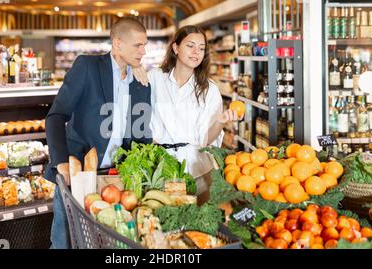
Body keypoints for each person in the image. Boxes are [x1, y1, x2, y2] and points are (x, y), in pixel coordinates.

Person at [45, 18, 152, 249]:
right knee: (64, 242)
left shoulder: (141, 82)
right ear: (117, 44)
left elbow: (140, 134)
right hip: (78, 174)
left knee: (108, 245)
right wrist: (61, 164)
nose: (144, 51)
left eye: (145, 45)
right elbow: (56, 116)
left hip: (116, 180)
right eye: (138, 45)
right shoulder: (88, 67)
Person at [134, 25, 241, 202]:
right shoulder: (154, 78)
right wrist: (134, 68)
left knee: (196, 224)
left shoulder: (210, 90)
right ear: (175, 48)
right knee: (162, 223)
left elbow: (206, 140)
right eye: (190, 46)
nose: (196, 52)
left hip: (197, 170)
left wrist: (220, 122)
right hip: (159, 168)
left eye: (201, 48)